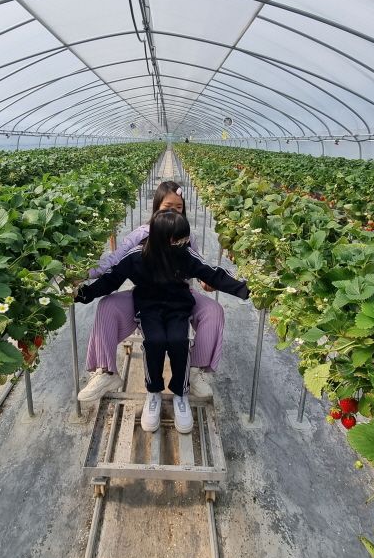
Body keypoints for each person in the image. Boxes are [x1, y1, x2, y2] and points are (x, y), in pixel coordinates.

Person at [75, 210, 249, 433]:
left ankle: (180, 393)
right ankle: (153, 392)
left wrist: (245, 288)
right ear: (164, 238)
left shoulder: (185, 255)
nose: (186, 242)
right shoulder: (136, 256)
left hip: (178, 307)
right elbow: (110, 280)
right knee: (154, 342)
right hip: (148, 307)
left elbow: (212, 274)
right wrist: (83, 294)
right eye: (181, 238)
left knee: (179, 341)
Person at [77, 181, 224, 402]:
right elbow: (114, 261)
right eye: (167, 207)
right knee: (107, 305)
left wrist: (206, 282)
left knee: (213, 310)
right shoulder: (140, 235)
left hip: (179, 295)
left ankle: (194, 372)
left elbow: (199, 265)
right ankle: (106, 372)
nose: (173, 212)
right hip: (145, 294)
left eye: (178, 208)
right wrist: (84, 274)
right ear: (156, 206)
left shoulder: (187, 236)